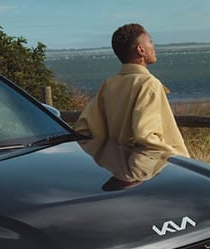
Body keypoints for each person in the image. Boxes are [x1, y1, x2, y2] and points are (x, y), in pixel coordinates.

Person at [75, 23, 189, 157]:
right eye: (150, 42)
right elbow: (145, 136)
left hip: (116, 166)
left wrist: (104, 155)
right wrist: (177, 157)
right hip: (154, 168)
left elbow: (83, 128)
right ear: (141, 50)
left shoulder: (108, 84)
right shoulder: (149, 84)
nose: (154, 46)